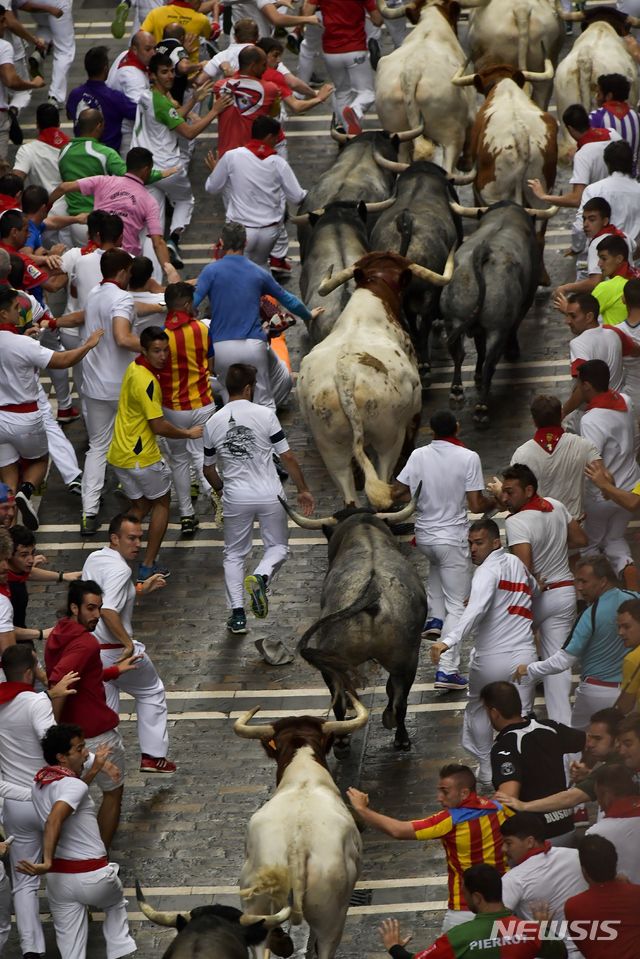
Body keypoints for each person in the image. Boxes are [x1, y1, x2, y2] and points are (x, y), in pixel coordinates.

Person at [0, 644, 99, 958]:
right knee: (66, 862)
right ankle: (73, 928)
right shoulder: (35, 702)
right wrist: (94, 760)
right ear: (30, 672)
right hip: (47, 797)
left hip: (15, 804)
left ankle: (31, 948)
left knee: (24, 879)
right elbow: (54, 745)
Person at [202, 363, 314, 634]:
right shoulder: (265, 415)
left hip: (236, 497)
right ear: (249, 388)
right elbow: (287, 456)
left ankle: (238, 615)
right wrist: (302, 489)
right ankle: (262, 577)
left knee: (233, 555)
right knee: (277, 548)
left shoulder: (212, 422)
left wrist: (220, 493)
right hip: (269, 494)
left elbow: (208, 468)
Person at [391, 410, 497, 689]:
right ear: (458, 428)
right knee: (458, 606)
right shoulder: (468, 457)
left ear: (431, 431)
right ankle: (447, 670)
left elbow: (398, 492)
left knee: (437, 573)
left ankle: (435, 619)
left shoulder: (418, 456)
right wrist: (495, 501)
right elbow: (475, 505)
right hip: (452, 538)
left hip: (425, 537)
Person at [430, 519, 538, 784]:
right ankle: (521, 769)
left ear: (496, 542)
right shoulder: (517, 565)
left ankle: (488, 767)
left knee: (479, 707)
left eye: (478, 543)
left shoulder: (485, 572)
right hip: (524, 656)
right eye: (470, 544)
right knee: (521, 716)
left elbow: (474, 612)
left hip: (491, 658)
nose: (473, 550)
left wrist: (448, 641)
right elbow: (534, 588)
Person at [16, 723, 137, 959]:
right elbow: (55, 819)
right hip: (93, 877)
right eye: (80, 749)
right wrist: (47, 860)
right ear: (62, 757)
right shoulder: (72, 786)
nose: (86, 753)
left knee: (71, 950)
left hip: (59, 883)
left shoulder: (40, 784)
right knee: (115, 905)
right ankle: (119, 949)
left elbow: (75, 791)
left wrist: (95, 769)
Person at [347, 764, 510, 932]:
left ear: (464, 793)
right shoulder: (499, 809)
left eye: (445, 792)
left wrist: (362, 809)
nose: (439, 798)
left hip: (463, 908)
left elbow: (398, 830)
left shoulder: (449, 820)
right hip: (504, 901)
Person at [45, 580, 140, 848]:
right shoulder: (86, 642)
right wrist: (53, 725)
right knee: (112, 794)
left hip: (73, 736)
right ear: (74, 607)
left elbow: (83, 676)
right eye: (90, 608)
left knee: (72, 795)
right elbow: (59, 679)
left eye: (98, 608)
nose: (97, 615)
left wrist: (113, 671)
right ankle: (100, 856)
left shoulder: (58, 633)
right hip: (96, 736)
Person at [0, 285, 102, 531]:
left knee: (8, 473)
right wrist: (88, 345)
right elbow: (63, 360)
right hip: (25, 417)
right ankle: (26, 491)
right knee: (39, 461)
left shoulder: (20, 341)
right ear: (3, 313)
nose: (19, 312)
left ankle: (9, 526)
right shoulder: (21, 345)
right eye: (15, 308)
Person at [108, 326, 205, 575]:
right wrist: (188, 433)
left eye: (165, 351)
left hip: (120, 453)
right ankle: (148, 564)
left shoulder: (134, 367)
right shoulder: (148, 381)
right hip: (141, 456)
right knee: (162, 502)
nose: (162, 356)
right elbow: (158, 425)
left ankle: (112, 557)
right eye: (156, 351)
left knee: (139, 508)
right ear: (144, 350)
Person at [82, 512, 174, 773]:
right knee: (151, 691)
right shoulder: (121, 569)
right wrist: (128, 644)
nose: (137, 544)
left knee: (107, 714)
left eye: (139, 538)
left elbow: (105, 594)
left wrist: (141, 588)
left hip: (90, 651)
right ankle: (153, 756)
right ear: (115, 538)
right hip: (114, 652)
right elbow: (108, 609)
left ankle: (97, 760)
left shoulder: (95, 558)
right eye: (131, 538)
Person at [194, 222, 320, 410]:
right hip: (253, 346)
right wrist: (309, 314)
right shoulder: (257, 272)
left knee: (231, 403)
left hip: (220, 347)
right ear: (245, 242)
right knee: (265, 403)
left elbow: (192, 303)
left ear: (221, 242)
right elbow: (289, 300)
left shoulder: (210, 271)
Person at [500, 463, 587, 725]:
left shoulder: (516, 522)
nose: (505, 498)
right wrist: (556, 544)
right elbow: (582, 540)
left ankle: (521, 715)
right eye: (504, 492)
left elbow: (524, 569)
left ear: (528, 490)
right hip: (565, 595)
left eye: (510, 492)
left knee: (511, 651)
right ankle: (563, 728)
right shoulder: (555, 505)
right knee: (558, 667)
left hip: (539, 597)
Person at [132, 52, 231, 266]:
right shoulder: (163, 104)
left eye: (170, 72)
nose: (170, 76)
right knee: (185, 200)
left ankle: (154, 265)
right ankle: (174, 239)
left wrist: (194, 99)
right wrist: (214, 111)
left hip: (146, 170)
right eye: (164, 72)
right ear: (153, 75)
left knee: (153, 223)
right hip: (168, 168)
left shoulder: (146, 96)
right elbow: (188, 132)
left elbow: (171, 117)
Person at [514, 556, 634, 727]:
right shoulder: (634, 600)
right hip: (630, 692)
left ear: (602, 581)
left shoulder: (590, 615)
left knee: (578, 744)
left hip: (595, 694)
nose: (578, 587)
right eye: (577, 581)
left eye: (584, 581)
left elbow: (564, 660)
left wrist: (530, 669)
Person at [379, 864, 566, 959]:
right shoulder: (531, 931)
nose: (465, 898)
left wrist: (394, 948)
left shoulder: (458, 937)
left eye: (465, 893)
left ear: (477, 897)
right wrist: (542, 929)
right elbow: (561, 954)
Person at [482, 681, 586, 846]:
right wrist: (586, 766)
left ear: (494, 712)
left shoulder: (505, 746)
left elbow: (508, 795)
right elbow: (592, 743)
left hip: (535, 839)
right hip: (566, 826)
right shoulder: (550, 727)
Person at [79, 249, 138, 537]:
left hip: (93, 384)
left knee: (98, 447)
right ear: (124, 271)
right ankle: (137, 500)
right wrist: (157, 347)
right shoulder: (122, 298)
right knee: (132, 442)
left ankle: (88, 512)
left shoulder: (94, 293)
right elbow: (123, 337)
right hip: (121, 386)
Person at [204, 115, 307, 271]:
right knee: (260, 266)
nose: (277, 142)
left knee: (236, 272)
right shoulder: (279, 163)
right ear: (269, 137)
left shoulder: (232, 156)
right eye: (276, 138)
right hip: (269, 232)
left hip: (240, 231)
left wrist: (216, 172)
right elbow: (298, 197)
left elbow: (212, 188)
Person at [50, 146, 175, 269]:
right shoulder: (150, 201)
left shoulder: (103, 181)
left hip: (96, 254)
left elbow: (63, 187)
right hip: (126, 263)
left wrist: (45, 208)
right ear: (146, 170)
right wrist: (169, 271)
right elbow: (157, 242)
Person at [158, 283, 215, 536]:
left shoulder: (161, 337)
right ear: (186, 305)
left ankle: (186, 515)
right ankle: (218, 498)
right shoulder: (202, 328)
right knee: (204, 457)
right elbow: (211, 365)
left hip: (173, 407)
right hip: (202, 402)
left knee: (179, 461)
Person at [495, 708, 624, 819]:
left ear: (618, 739)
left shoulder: (615, 769)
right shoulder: (623, 763)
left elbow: (571, 798)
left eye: (598, 739)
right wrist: (590, 775)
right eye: (590, 737)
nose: (590, 744)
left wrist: (524, 806)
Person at [578, 359, 640, 583]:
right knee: (614, 539)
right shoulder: (625, 400)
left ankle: (598, 591)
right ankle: (629, 572)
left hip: (603, 495)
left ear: (586, 386)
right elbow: (635, 439)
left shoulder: (591, 420)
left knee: (591, 545)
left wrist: (604, 487)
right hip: (630, 485)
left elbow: (594, 462)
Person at [499, 813, 587, 959]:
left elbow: (498, 923)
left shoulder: (513, 879)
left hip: (551, 952)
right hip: (592, 947)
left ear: (530, 842)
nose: (503, 849)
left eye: (508, 843)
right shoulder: (575, 855)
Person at [509, 395, 602, 522]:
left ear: (534, 421)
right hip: (574, 526)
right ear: (560, 416)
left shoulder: (521, 454)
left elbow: (514, 497)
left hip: (540, 528)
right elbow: (605, 479)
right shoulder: (583, 445)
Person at [301, 0, 381, 135]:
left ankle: (351, 134)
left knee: (342, 93)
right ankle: (356, 110)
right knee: (367, 93)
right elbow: (378, 20)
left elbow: (307, 13)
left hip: (331, 51)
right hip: (355, 48)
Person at [557, 291, 636, 419]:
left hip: (596, 413)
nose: (567, 321)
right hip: (621, 408)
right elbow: (635, 350)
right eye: (567, 316)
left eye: (573, 316)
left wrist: (563, 412)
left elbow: (583, 387)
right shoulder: (614, 332)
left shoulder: (578, 344)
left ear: (589, 317)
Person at [529, 103, 621, 208]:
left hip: (599, 211)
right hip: (619, 203)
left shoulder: (583, 155)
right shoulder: (613, 134)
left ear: (570, 129)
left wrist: (544, 196)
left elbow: (576, 199)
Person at [57, 108, 127, 246]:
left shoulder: (64, 151)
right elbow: (131, 176)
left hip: (75, 222)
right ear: (99, 126)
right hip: (102, 225)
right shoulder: (106, 153)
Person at [565, 834, 640, 959]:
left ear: (584, 871)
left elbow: (585, 946)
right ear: (615, 864)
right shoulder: (636, 893)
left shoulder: (573, 906)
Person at [7, 524, 80, 644]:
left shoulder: (17, 571)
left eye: (32, 553)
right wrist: (41, 633)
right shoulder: (5, 589)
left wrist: (64, 576)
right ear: (9, 555)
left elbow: (29, 573)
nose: (31, 560)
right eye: (24, 555)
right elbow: (5, 630)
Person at [212, 45, 282, 160]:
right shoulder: (270, 89)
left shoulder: (219, 86)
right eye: (263, 65)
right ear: (253, 66)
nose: (265, 69)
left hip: (225, 157)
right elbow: (274, 113)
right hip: (253, 157)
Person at [556, 196, 632, 298]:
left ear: (605, 221)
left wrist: (566, 288)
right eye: (584, 219)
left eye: (592, 220)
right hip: (631, 295)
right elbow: (636, 251)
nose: (585, 224)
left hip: (611, 298)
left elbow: (595, 282)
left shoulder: (597, 243)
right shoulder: (625, 236)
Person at [67, 45, 137, 152]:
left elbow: (69, 114)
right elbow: (137, 112)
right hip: (107, 156)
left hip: (80, 152)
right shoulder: (114, 97)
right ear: (105, 69)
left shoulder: (74, 95)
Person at [574, 141, 640, 254]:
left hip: (601, 261)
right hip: (634, 262)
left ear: (607, 164)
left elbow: (580, 227)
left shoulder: (593, 190)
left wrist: (577, 248)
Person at [0, 4, 45, 160]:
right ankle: (13, 110)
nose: (5, 25)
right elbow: (11, 81)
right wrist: (33, 84)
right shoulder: (3, 46)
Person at [585, 764, 640, 881]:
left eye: (598, 796)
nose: (599, 803)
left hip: (624, 898)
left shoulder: (596, 835)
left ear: (607, 795)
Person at [106, 30, 156, 155]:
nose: (153, 53)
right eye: (148, 49)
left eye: (154, 48)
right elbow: (139, 109)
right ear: (134, 50)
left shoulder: (125, 55)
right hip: (127, 134)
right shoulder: (133, 77)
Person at [13, 101, 69, 192]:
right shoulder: (73, 147)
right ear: (59, 123)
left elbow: (15, 182)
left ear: (37, 125)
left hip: (40, 204)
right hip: (70, 203)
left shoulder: (27, 150)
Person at [589, 73, 640, 173]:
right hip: (633, 182)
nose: (596, 97)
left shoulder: (594, 117)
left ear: (608, 96)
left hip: (603, 182)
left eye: (599, 93)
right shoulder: (637, 117)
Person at [592, 233, 640, 326]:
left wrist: (566, 307)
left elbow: (583, 315)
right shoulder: (636, 279)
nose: (599, 264)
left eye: (604, 258)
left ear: (619, 259)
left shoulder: (608, 287)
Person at [141, 0, 212, 57]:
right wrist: (216, 19)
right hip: (190, 71)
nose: (201, 1)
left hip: (161, 68)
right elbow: (212, 35)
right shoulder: (201, 19)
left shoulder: (156, 13)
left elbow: (141, 36)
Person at [615, 598, 640, 713]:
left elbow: (625, 707)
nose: (620, 632)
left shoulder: (633, 659)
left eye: (626, 627)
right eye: (619, 627)